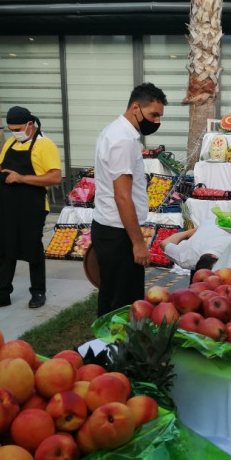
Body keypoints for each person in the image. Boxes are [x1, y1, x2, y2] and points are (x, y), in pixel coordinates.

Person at [91, 82, 167, 317]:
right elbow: (122, 196)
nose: (157, 121)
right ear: (136, 107)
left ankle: (105, 337)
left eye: (160, 116)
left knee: (111, 295)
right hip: (118, 232)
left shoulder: (115, 131)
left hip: (110, 227)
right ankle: (118, 339)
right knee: (124, 303)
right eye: (153, 115)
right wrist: (138, 242)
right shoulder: (123, 140)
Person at [0, 106, 62, 312]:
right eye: (11, 129)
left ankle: (38, 291)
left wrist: (21, 177)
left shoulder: (46, 145)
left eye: (17, 129)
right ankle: (2, 293)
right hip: (8, 203)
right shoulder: (10, 143)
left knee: (32, 247)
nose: (14, 133)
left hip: (33, 205)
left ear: (30, 124)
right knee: (6, 248)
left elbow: (55, 177)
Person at [159, 218, 231, 281]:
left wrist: (188, 233)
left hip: (229, 224)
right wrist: (189, 233)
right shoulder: (187, 256)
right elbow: (164, 243)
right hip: (212, 224)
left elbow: (164, 243)